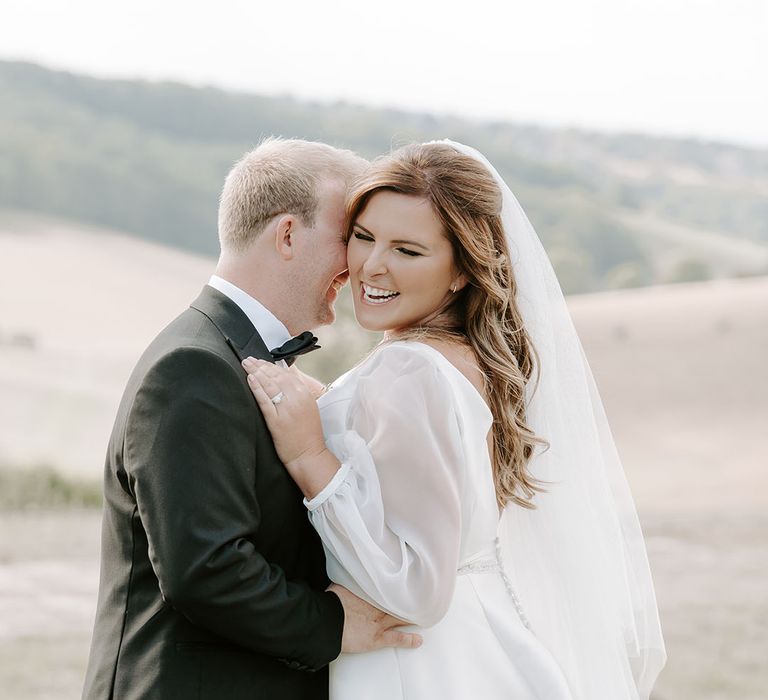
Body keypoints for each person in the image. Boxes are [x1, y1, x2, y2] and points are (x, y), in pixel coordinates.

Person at [243, 140, 667, 700]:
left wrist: (309, 454)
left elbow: (417, 588)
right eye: (364, 237)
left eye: (408, 251)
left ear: (463, 271)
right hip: (480, 647)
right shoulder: (458, 360)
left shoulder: (410, 371)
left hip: (423, 667)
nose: (372, 265)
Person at [82, 138, 422, 700]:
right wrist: (335, 626)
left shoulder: (240, 358)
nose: (359, 264)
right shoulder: (193, 366)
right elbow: (206, 569)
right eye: (352, 237)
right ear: (288, 234)